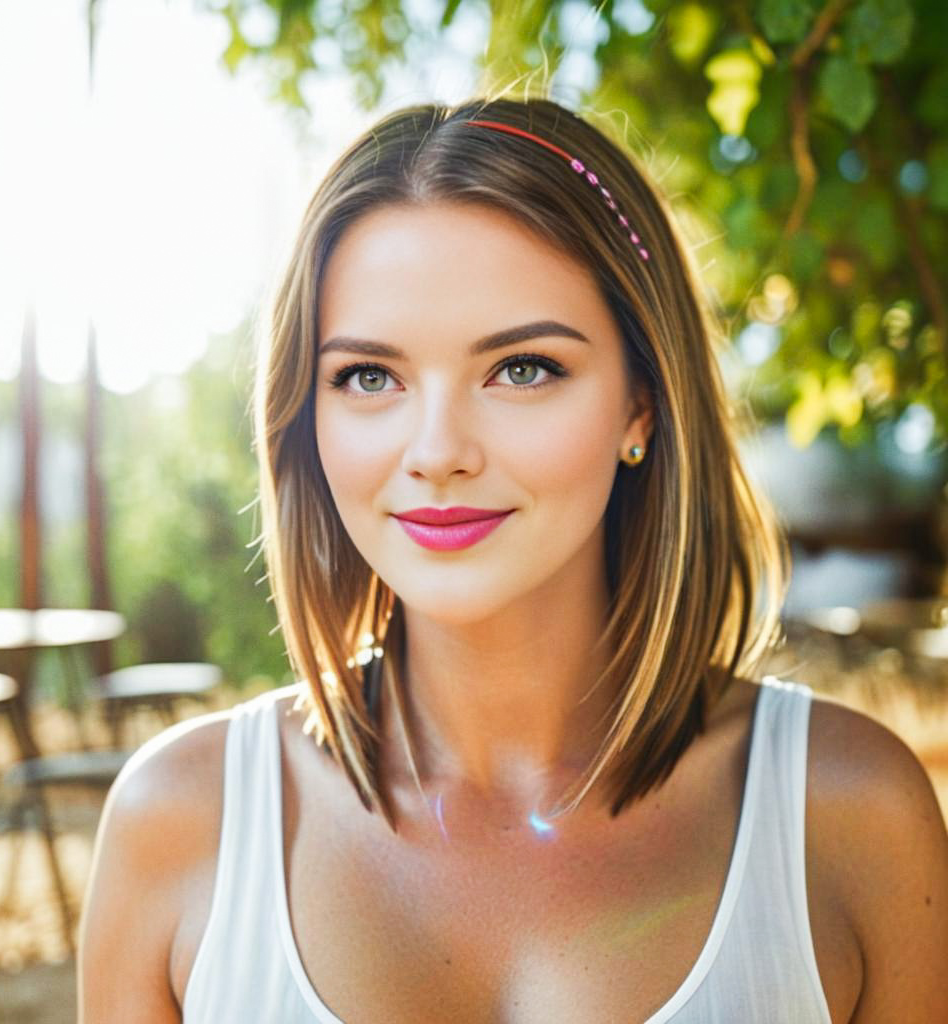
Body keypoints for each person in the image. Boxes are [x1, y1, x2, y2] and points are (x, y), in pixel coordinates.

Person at [77, 95, 948, 1023]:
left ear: (641, 405)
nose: (438, 449)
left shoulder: (852, 817)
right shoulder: (178, 823)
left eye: (522, 368)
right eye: (369, 377)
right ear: (306, 412)